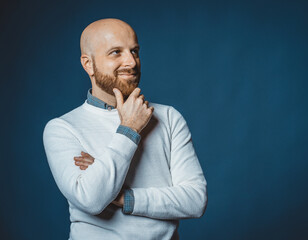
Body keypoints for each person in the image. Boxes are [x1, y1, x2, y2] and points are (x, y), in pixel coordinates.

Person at [42, 18, 207, 239]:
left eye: (135, 51)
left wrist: (122, 197)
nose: (131, 61)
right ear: (88, 64)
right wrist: (129, 129)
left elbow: (195, 201)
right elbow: (91, 199)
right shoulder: (62, 128)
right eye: (116, 52)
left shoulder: (168, 117)